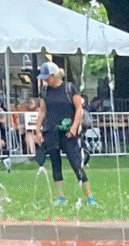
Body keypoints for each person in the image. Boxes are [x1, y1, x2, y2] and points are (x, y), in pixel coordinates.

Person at [32, 61, 94, 205]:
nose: (45, 80)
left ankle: (89, 196)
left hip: (68, 132)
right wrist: (38, 130)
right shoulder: (45, 91)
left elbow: (79, 109)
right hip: (51, 131)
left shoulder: (69, 88)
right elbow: (42, 111)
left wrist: (74, 127)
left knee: (76, 163)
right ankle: (60, 196)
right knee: (55, 164)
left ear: (54, 76)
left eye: (47, 77)